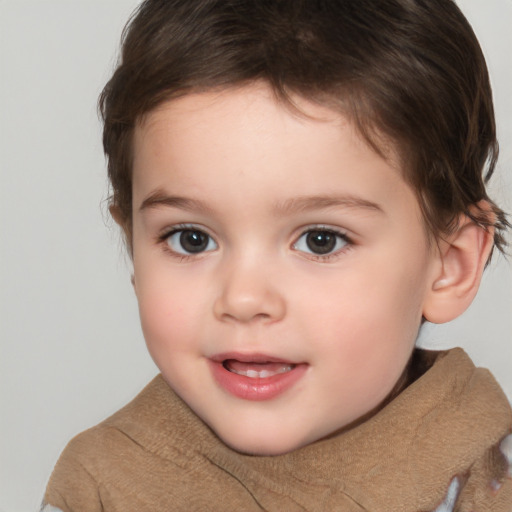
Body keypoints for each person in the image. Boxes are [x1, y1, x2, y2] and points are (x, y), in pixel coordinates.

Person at [42, 0, 512, 510]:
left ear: (450, 265)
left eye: (320, 240)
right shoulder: (102, 483)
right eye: (191, 239)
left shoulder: (489, 480)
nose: (244, 299)